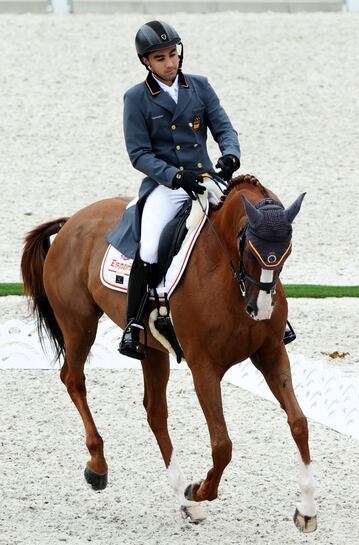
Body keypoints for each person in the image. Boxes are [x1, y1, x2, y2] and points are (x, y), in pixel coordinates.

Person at [108, 20, 241, 359]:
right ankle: (134, 325)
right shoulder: (136, 98)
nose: (170, 63)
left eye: (173, 55)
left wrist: (230, 156)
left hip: (207, 180)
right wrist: (175, 178)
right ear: (146, 62)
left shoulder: (200, 86)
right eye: (161, 58)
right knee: (151, 248)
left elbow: (225, 129)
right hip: (166, 186)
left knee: (247, 227)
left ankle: (270, 312)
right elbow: (139, 154)